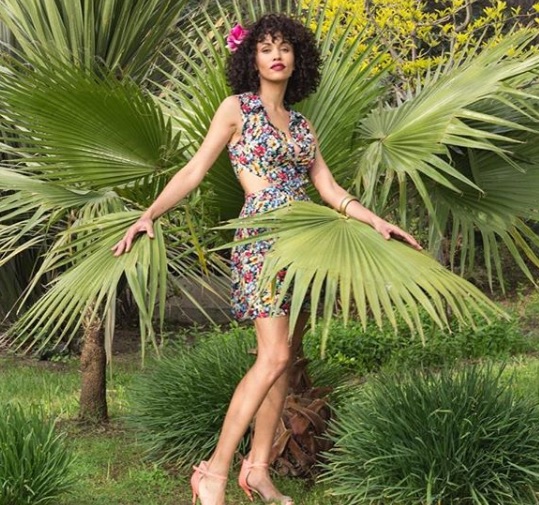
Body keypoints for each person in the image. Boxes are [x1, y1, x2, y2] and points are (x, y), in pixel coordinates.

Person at [112, 13, 421, 505]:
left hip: (306, 242)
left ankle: (257, 470)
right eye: (266, 48)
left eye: (285, 48)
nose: (276, 55)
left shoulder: (302, 123)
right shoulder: (237, 108)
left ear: (298, 59)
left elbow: (328, 187)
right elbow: (194, 170)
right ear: (251, 59)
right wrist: (149, 214)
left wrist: (375, 221)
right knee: (273, 355)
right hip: (262, 237)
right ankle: (213, 472)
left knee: (283, 359)